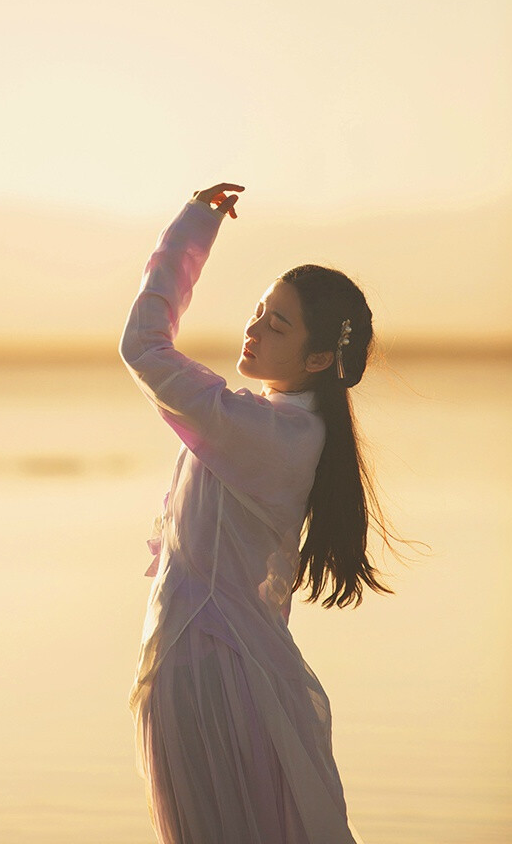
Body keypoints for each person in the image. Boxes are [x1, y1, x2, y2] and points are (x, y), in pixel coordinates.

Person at [118, 181, 400, 844]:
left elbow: (145, 348)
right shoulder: (287, 427)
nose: (254, 329)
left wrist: (191, 230)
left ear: (321, 358)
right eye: (257, 311)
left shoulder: (262, 432)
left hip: (213, 675)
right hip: (227, 669)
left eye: (278, 325)